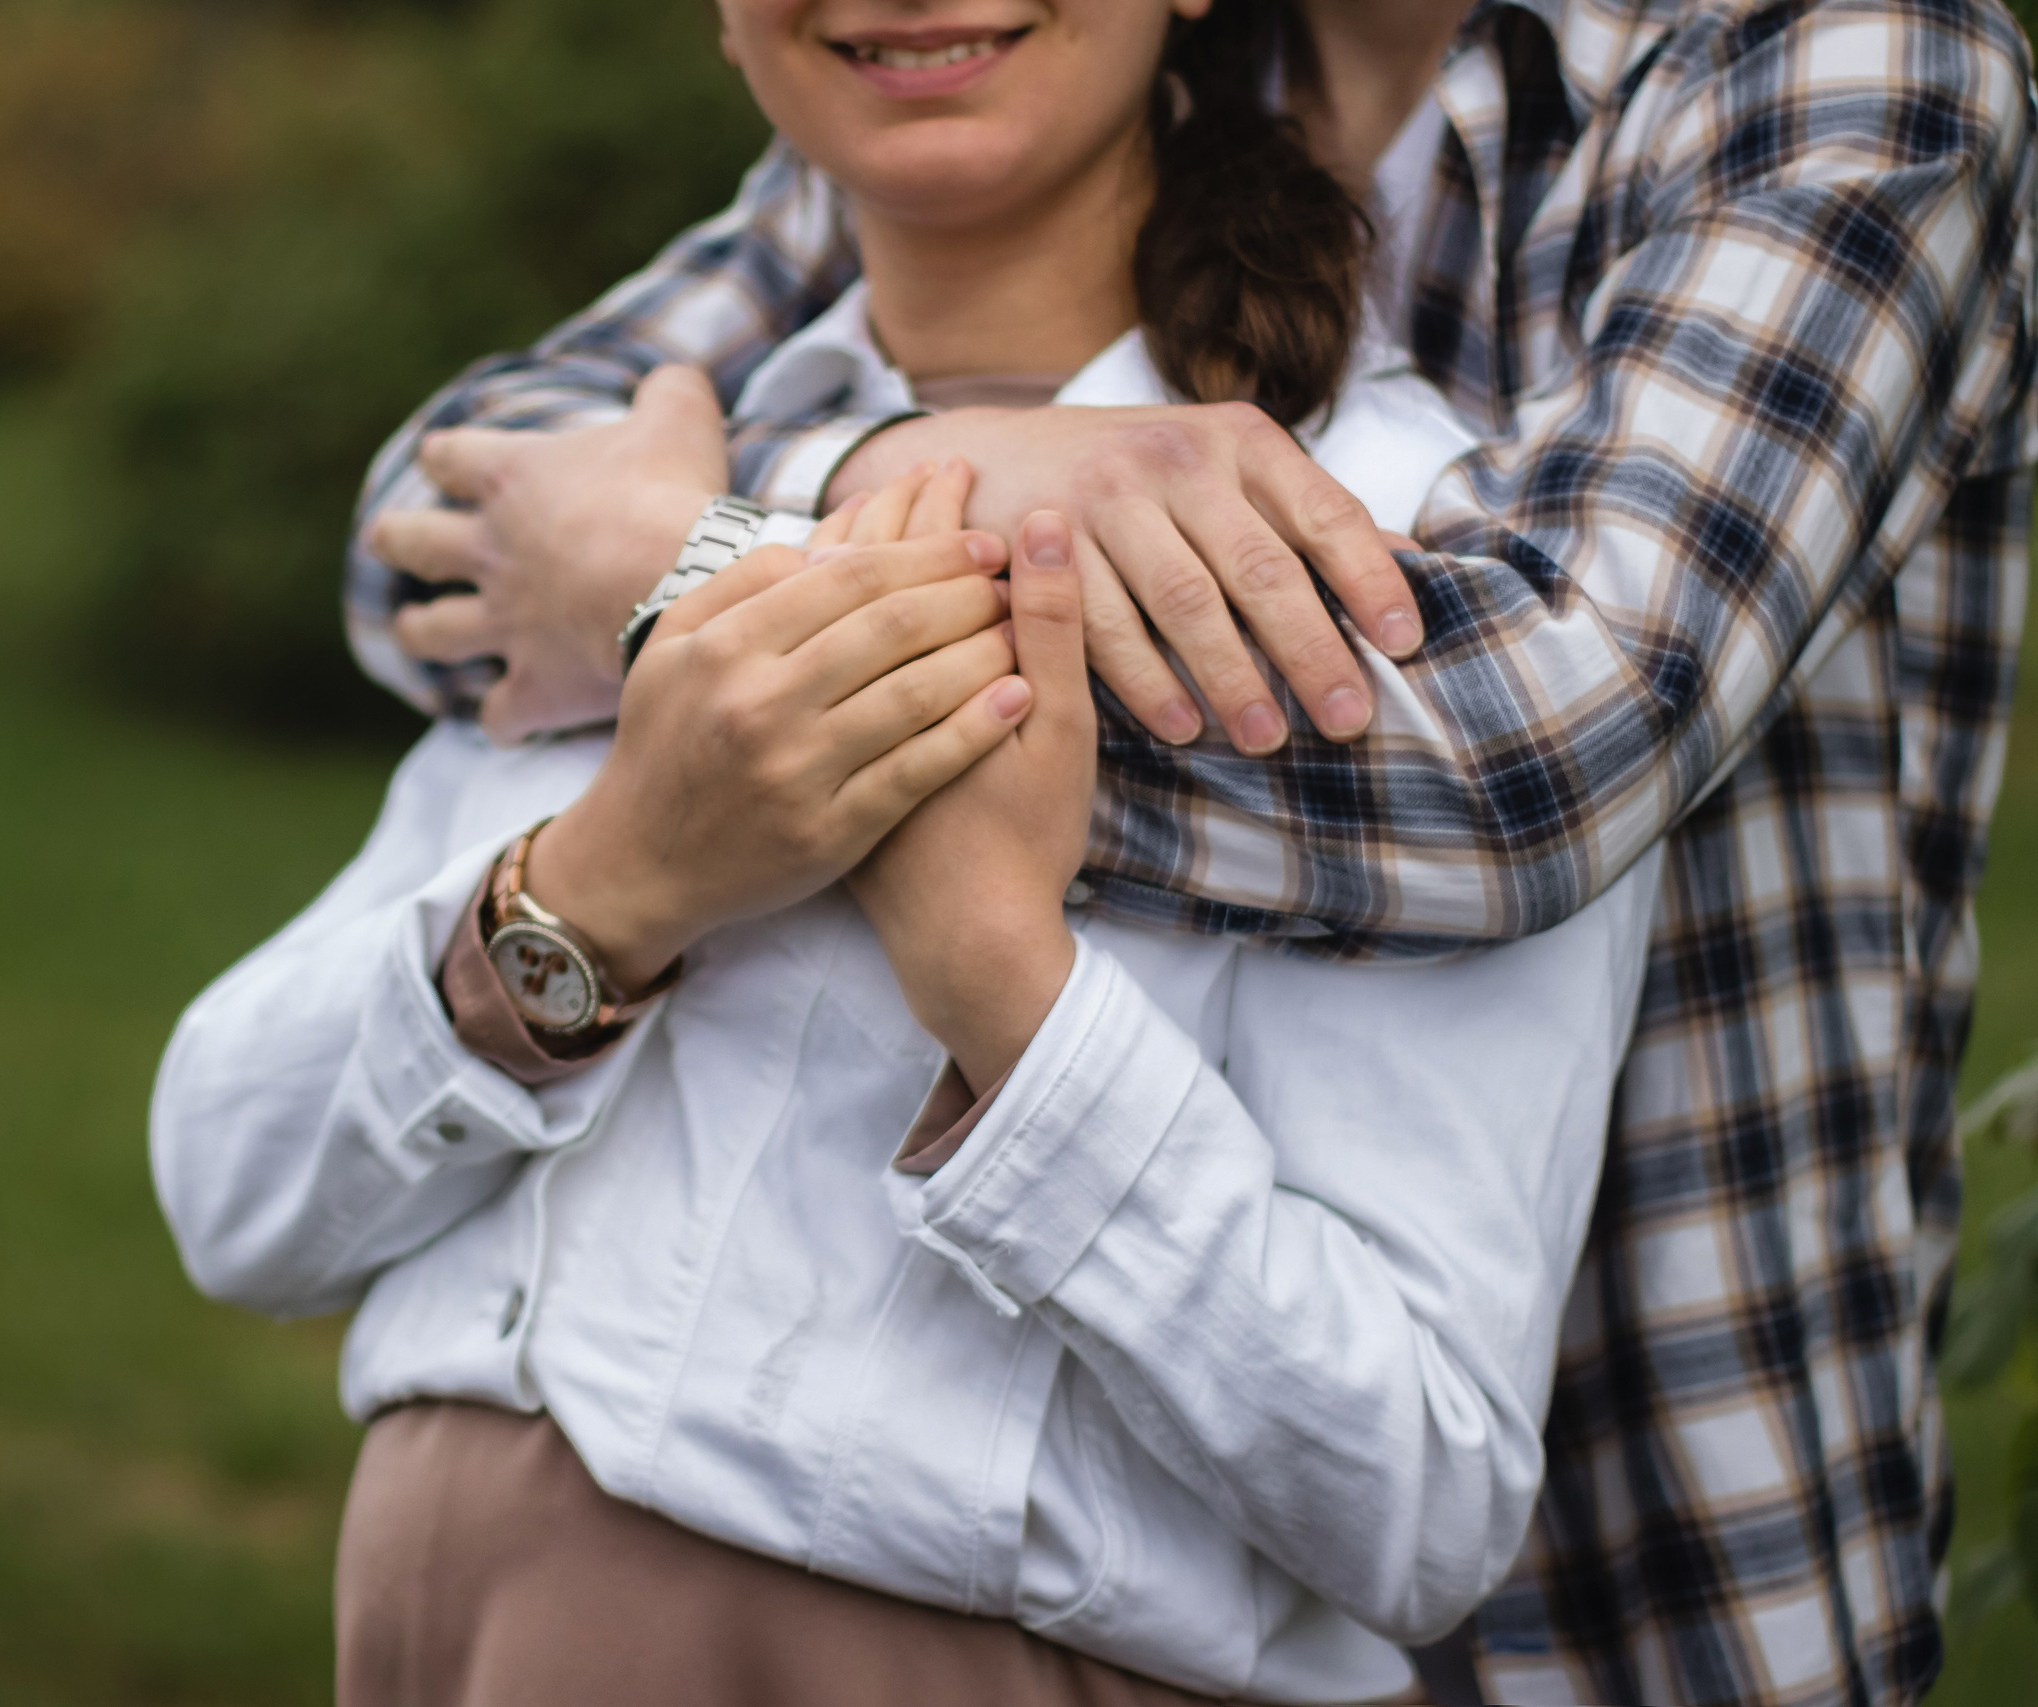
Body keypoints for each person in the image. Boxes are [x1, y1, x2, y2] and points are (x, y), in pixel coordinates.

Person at [349, 1, 2038, 1701]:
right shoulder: (1084, 46)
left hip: (1661, 1503)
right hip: (1161, 1505)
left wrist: (703, 563)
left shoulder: (1845, 64)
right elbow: (441, 536)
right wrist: (921, 468)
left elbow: (1535, 756)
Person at [154, 1, 1665, 1701]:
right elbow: (234, 1196)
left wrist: (1006, 998)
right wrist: (613, 885)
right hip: (432, 1643)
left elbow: (1422, 1498)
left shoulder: (1372, 556)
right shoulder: (630, 489)